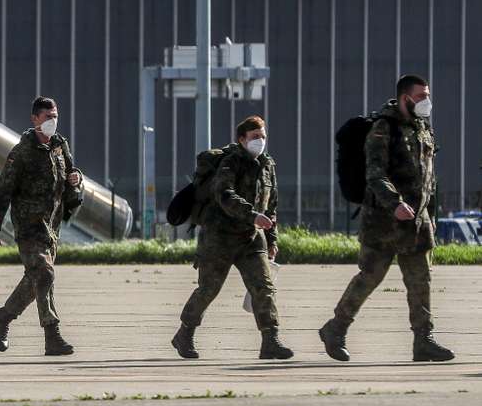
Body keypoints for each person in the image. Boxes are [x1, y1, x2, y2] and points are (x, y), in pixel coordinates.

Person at [320, 75, 454, 362]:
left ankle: (424, 340)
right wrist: (394, 203)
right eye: (420, 96)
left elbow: (427, 178)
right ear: (405, 98)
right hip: (382, 221)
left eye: (427, 95)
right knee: (370, 277)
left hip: (416, 221)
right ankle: (336, 329)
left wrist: (428, 214)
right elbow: (375, 174)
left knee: (421, 280)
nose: (426, 101)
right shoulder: (384, 128)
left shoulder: (422, 129)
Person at [171, 115, 294, 360]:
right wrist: (252, 215)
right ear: (242, 139)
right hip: (220, 236)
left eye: (262, 137)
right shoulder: (231, 162)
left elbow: (271, 207)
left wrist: (272, 240)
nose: (260, 141)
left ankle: (270, 339)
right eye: (254, 137)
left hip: (251, 237)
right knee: (208, 289)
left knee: (264, 288)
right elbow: (224, 195)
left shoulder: (267, 165)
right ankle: (184, 334)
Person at [0, 96, 84, 356]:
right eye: (48, 117)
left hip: (52, 228)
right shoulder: (21, 153)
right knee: (46, 274)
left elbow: (71, 183)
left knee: (38, 278)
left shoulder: (61, 146)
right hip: (28, 227)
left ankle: (3, 317)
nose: (53, 121)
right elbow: (3, 191)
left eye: (55, 116)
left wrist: (76, 181)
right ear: (35, 119)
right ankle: (52, 335)